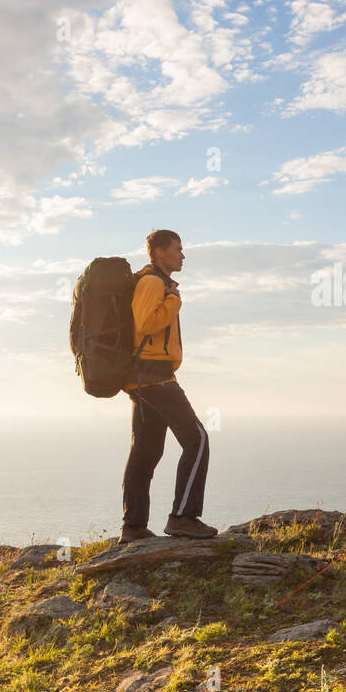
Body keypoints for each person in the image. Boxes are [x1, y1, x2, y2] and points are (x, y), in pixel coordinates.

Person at [119, 229, 216, 543]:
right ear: (160, 252)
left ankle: (133, 528)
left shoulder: (156, 282)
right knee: (197, 439)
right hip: (154, 376)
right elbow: (145, 325)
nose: (183, 255)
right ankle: (184, 517)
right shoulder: (151, 283)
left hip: (144, 378)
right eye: (178, 249)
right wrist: (174, 300)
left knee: (146, 452)